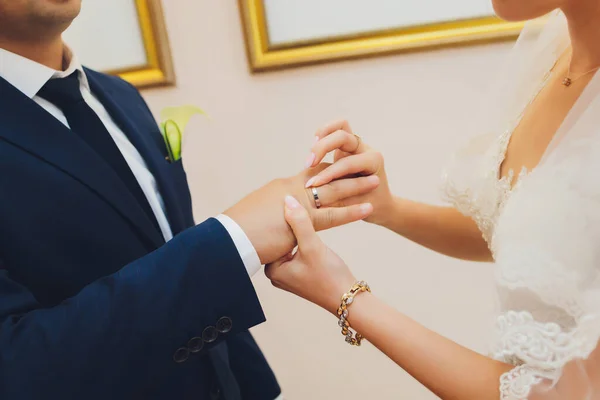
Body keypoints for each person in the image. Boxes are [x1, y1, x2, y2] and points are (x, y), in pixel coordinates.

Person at [0, 1, 380, 399]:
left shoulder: (120, 96)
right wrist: (232, 240)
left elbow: (172, 248)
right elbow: (15, 365)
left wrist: (254, 385)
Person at [266, 2, 600, 399]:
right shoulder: (560, 51)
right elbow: (537, 238)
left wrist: (346, 296)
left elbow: (569, 393)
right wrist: (388, 208)